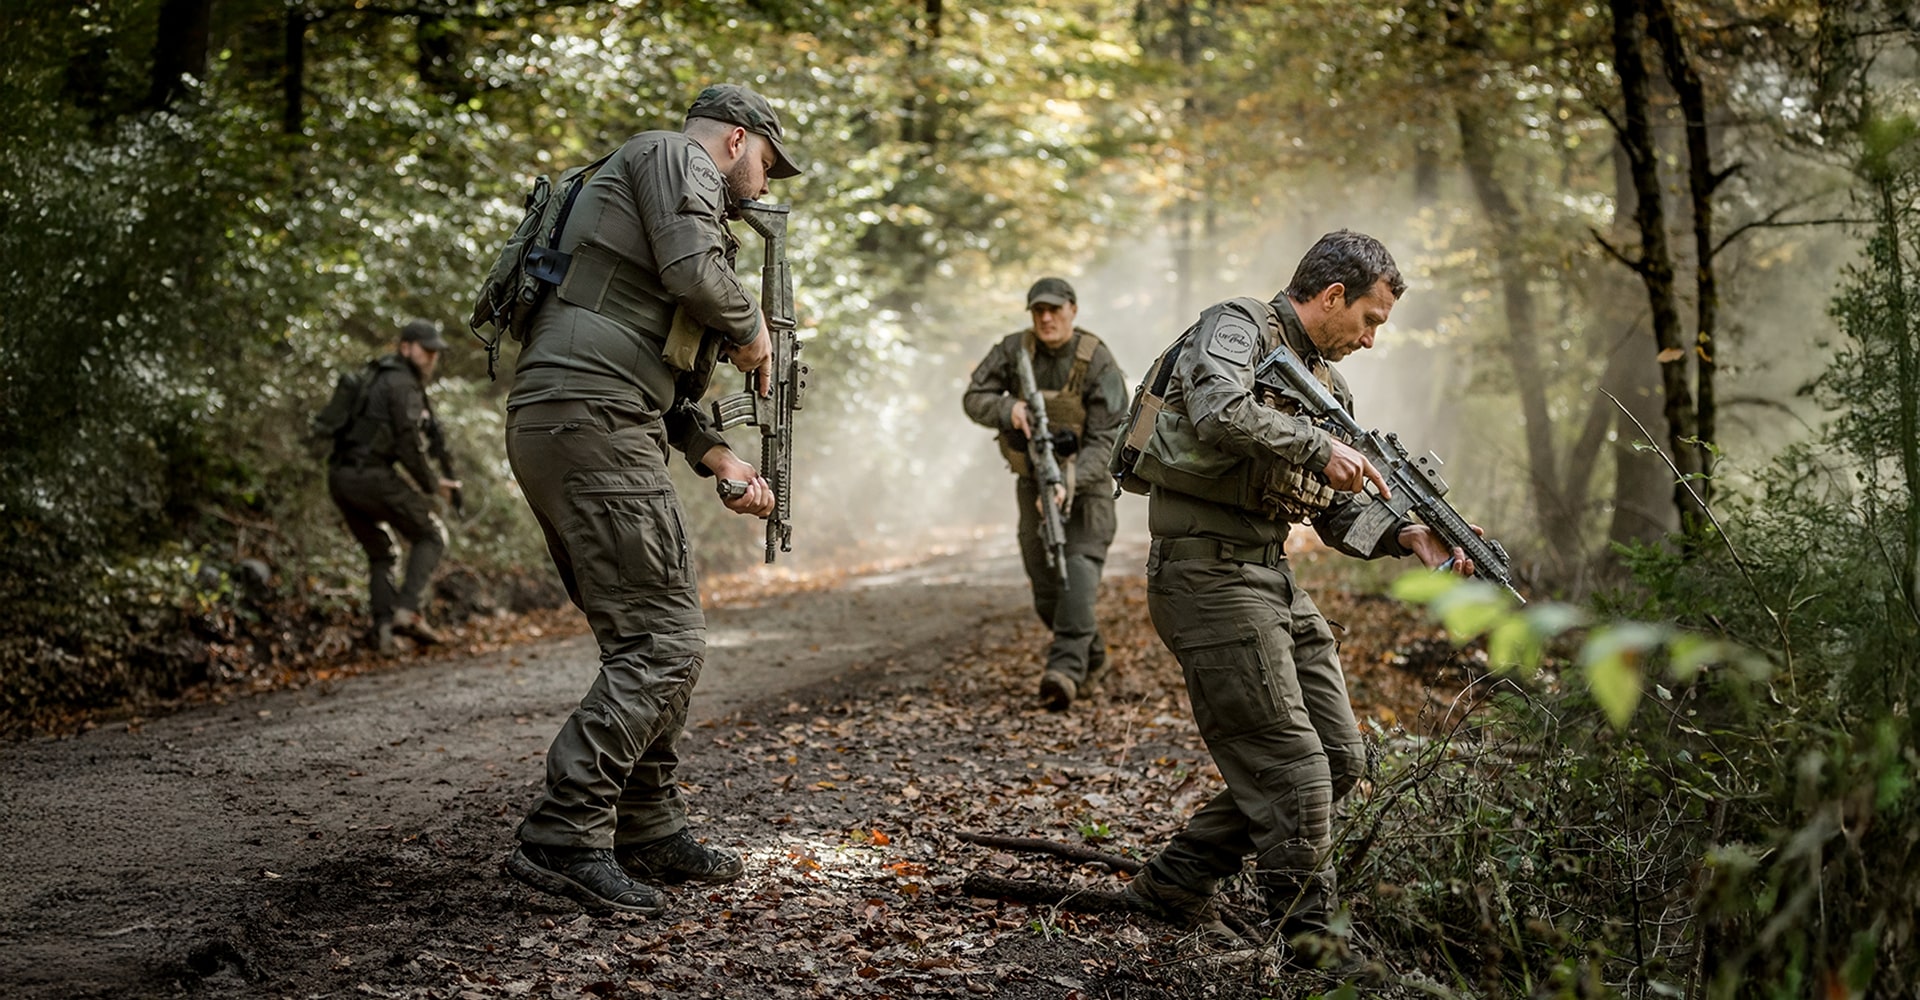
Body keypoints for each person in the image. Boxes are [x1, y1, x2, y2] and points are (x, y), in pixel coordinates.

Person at [1118, 231, 1481, 953]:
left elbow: (1331, 506)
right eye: (1371, 320)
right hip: (1204, 571)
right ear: (1334, 295)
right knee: (1293, 765)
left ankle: (1178, 879)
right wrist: (1322, 447)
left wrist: (1405, 535)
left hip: (1268, 574)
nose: (1372, 340)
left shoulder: (1326, 387)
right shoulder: (1238, 327)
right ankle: (1315, 947)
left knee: (1342, 759)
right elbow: (1220, 408)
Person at [499, 84, 800, 916]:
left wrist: (721, 458)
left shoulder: (648, 199)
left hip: (589, 418)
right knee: (665, 642)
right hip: (589, 421)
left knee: (654, 634)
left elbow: (662, 389)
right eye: (767, 165)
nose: (765, 188)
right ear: (737, 139)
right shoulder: (673, 155)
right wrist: (751, 328)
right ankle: (564, 833)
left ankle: (646, 822)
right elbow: (697, 274)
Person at [963, 277, 1128, 711]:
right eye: (1039, 311)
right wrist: (1007, 409)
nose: (1047, 318)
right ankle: (1091, 657)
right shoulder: (1014, 350)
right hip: (1032, 486)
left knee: (1076, 577)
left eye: (1055, 309)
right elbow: (974, 396)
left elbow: (1110, 438)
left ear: (1073, 309)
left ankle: (1064, 673)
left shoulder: (1097, 361)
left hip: (1087, 494)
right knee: (1045, 589)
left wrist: (1066, 481)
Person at [327, 318, 461, 654]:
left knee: (382, 552)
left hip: (341, 477)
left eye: (435, 352)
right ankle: (408, 613)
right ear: (406, 348)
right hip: (369, 476)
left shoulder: (380, 376)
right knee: (431, 534)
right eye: (426, 350)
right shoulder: (401, 384)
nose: (431, 357)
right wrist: (433, 484)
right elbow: (408, 444)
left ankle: (384, 635)